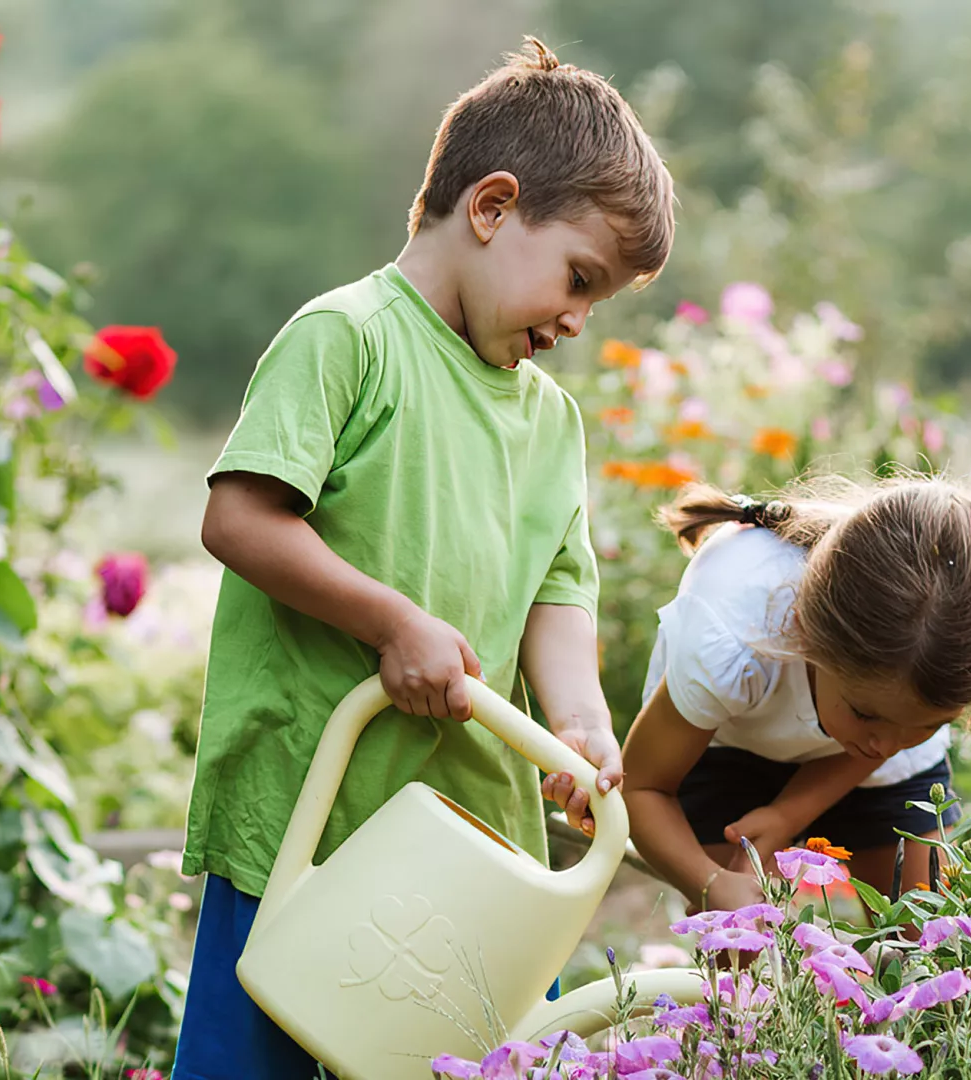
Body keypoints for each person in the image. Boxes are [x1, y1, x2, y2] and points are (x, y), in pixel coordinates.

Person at [170, 37, 674, 1080]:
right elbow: (242, 520)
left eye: (602, 301)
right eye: (579, 279)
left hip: (463, 835)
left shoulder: (550, 422)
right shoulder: (349, 338)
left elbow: (559, 587)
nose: (579, 322)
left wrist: (578, 717)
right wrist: (389, 624)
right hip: (305, 812)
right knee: (249, 1062)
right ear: (491, 208)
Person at [622, 477, 971, 915]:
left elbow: (885, 739)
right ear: (805, 636)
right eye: (866, 714)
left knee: (927, 936)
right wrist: (710, 884)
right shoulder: (731, 635)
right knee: (740, 948)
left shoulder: (922, 676)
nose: (887, 745)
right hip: (726, 745)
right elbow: (643, 787)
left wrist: (788, 814)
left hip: (857, 760)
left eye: (931, 724)